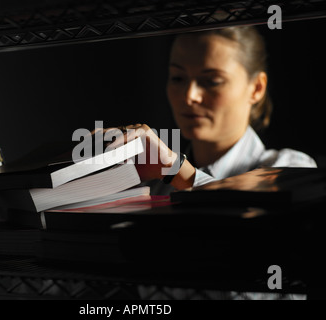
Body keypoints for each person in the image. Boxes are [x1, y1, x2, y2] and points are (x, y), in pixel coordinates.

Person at [97, 26, 317, 300]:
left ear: (257, 88)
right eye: (177, 77)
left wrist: (179, 171)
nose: (189, 96)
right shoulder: (152, 188)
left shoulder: (291, 170)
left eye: (211, 81)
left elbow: (261, 281)